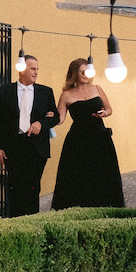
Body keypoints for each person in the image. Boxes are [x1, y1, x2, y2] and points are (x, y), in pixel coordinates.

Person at [0, 53, 59, 217]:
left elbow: (55, 117)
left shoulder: (45, 92)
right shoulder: (5, 91)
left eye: (37, 69)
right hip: (13, 147)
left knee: (33, 186)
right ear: (22, 70)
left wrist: (41, 123)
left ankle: (33, 221)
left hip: (37, 147)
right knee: (15, 186)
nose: (36, 72)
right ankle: (16, 223)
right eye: (32, 69)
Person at [52, 54, 124, 210]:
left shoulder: (97, 88)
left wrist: (105, 113)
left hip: (99, 137)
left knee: (102, 174)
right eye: (82, 72)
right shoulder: (66, 95)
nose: (85, 75)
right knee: (79, 175)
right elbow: (60, 118)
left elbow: (109, 108)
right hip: (78, 140)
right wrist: (47, 117)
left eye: (87, 71)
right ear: (74, 74)